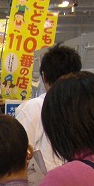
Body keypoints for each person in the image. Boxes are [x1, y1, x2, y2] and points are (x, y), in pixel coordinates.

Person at [15, 43, 82, 174]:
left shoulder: (34, 107)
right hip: (78, 180)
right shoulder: (84, 108)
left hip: (44, 183)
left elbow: (16, 152)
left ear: (44, 76)